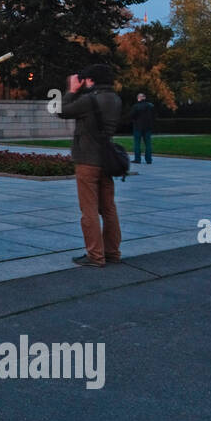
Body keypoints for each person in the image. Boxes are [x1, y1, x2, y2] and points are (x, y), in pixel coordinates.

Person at [59, 64, 123, 268]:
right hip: (106, 161)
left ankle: (95, 255)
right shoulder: (115, 99)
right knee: (109, 209)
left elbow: (62, 111)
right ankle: (112, 252)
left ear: (91, 80)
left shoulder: (90, 100)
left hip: (88, 160)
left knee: (89, 210)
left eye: (85, 79)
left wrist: (71, 90)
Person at [129, 92, 154, 164]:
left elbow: (131, 115)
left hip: (138, 127)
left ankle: (137, 159)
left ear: (139, 98)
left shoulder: (136, 106)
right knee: (148, 144)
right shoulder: (150, 106)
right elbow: (153, 117)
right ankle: (149, 160)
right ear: (145, 98)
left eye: (138, 97)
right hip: (148, 128)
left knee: (137, 144)